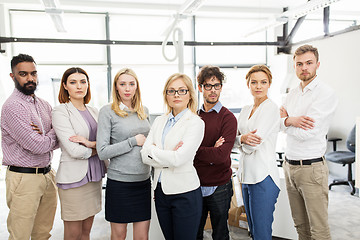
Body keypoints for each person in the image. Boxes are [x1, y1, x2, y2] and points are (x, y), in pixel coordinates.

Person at [280, 44, 338, 240]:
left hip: (311, 169)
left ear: (317, 64)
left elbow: (308, 133)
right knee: (300, 226)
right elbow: (278, 122)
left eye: (309, 63)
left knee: (318, 230)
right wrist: (291, 120)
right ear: (294, 67)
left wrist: (286, 121)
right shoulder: (293, 93)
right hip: (290, 166)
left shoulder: (325, 93)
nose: (304, 67)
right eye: (299, 64)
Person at [1, 53, 58, 239]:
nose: (30, 78)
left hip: (48, 175)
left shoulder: (44, 105)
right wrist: (52, 133)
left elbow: (59, 138)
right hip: (24, 178)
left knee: (43, 233)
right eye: (23, 74)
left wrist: (47, 135)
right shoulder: (13, 106)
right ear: (13, 76)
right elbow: (37, 145)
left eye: (33, 73)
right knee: (21, 234)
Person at [141, 73, 204, 240]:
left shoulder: (195, 122)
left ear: (190, 94)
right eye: (172, 91)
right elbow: (143, 155)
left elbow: (179, 159)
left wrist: (154, 151)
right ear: (166, 95)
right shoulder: (159, 121)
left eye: (182, 90)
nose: (176, 94)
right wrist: (168, 154)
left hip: (185, 193)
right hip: (161, 193)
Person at [97, 68, 151, 240]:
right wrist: (132, 141)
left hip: (143, 182)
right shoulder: (107, 112)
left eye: (131, 84)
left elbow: (149, 145)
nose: (127, 88)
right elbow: (102, 152)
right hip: (120, 184)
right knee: (119, 235)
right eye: (122, 84)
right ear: (116, 87)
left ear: (136, 87)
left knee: (142, 237)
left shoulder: (144, 111)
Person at [52, 67, 106, 240]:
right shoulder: (60, 111)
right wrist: (99, 149)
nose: (79, 86)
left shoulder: (94, 111)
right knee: (73, 234)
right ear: (65, 86)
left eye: (83, 82)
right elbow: (74, 150)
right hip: (73, 180)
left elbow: (108, 143)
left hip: (94, 177)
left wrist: (91, 145)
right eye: (73, 82)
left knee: (86, 233)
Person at [236, 65, 280, 240]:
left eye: (263, 82)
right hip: (246, 176)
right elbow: (234, 139)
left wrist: (241, 141)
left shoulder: (271, 108)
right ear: (248, 85)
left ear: (269, 84)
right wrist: (241, 140)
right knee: (252, 230)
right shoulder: (246, 109)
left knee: (261, 233)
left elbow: (254, 144)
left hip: (264, 177)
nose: (258, 86)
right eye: (254, 82)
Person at [194, 65, 237, 240]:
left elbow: (221, 156)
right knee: (194, 233)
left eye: (216, 85)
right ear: (200, 88)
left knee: (220, 234)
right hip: (195, 184)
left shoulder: (228, 118)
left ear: (221, 87)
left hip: (220, 185)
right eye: (208, 86)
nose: (213, 90)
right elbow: (184, 152)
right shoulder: (193, 116)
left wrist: (196, 151)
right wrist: (211, 150)